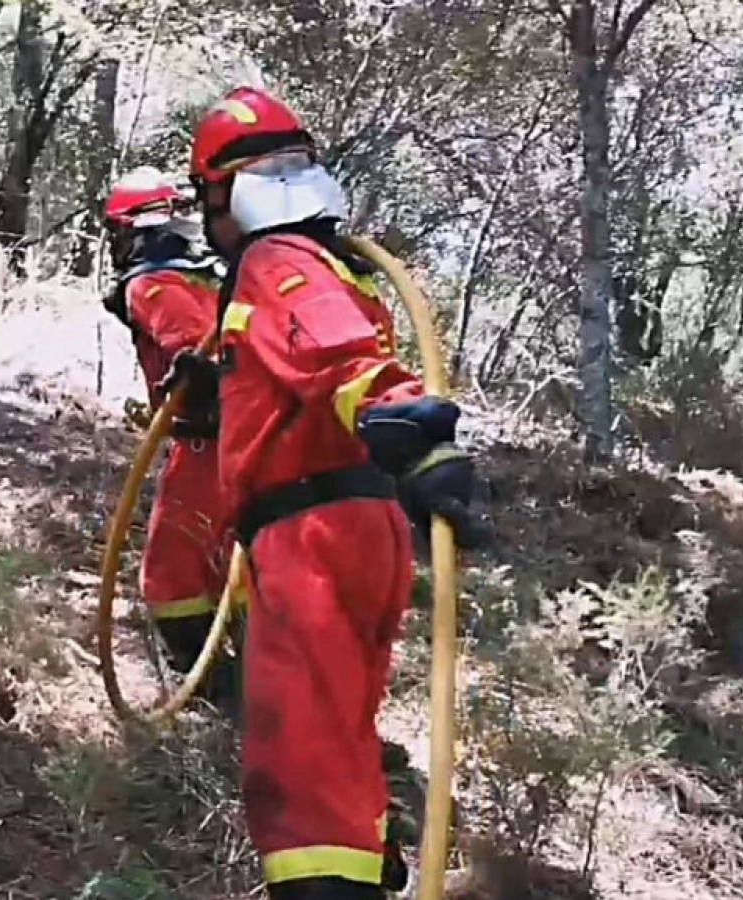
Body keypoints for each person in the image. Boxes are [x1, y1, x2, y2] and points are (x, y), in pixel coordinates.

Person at [181, 87, 486, 899]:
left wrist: (405, 425)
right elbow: (291, 365)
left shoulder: (272, 260)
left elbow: (334, 354)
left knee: (300, 756)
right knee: (336, 729)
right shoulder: (321, 265)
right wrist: (215, 385)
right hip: (357, 525)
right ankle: (366, 856)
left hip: (310, 533)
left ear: (224, 195)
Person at [100, 166, 239, 712]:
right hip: (252, 441)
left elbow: (191, 350)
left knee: (171, 574)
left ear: (132, 229)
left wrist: (194, 375)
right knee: (233, 564)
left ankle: (213, 692)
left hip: (207, 447)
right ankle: (259, 681)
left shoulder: (154, 283)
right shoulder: (212, 275)